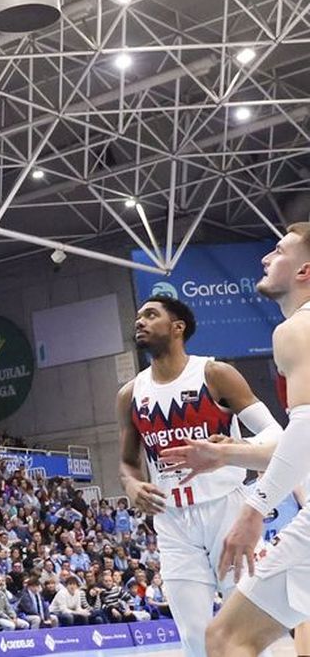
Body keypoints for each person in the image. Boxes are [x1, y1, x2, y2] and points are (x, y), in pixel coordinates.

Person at [115, 294, 281, 656]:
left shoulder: (214, 373)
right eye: (138, 316)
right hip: (172, 521)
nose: (139, 322)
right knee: (193, 637)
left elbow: (275, 436)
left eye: (150, 315)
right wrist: (131, 483)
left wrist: (229, 451)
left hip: (227, 510)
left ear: (178, 327)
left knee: (246, 630)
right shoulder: (130, 394)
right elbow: (128, 461)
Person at [203, 224, 310, 656]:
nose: (265, 259)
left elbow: (307, 431)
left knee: (227, 638)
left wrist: (255, 508)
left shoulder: (297, 330)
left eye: (279, 251)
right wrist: (226, 453)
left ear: (305, 270)